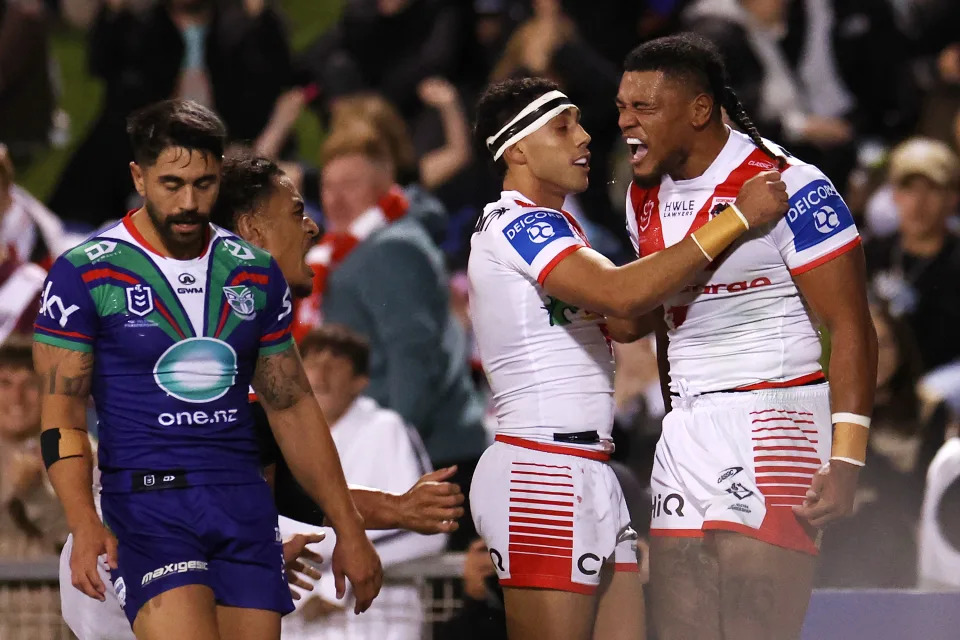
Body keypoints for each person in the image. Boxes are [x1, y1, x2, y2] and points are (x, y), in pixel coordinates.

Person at [57, 146, 465, 640]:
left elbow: (266, 468)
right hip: (135, 540)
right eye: (296, 213)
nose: (312, 227)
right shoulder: (192, 326)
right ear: (250, 231)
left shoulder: (250, 317)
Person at [34, 99, 381, 640]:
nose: (190, 202)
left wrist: (350, 528)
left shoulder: (255, 273)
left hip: (242, 505)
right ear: (138, 176)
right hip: (149, 503)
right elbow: (62, 418)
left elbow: (292, 407)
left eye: (205, 183)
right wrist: (82, 521)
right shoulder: (86, 274)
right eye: (172, 183)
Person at [469, 76, 789, 640]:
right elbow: (622, 297)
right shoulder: (520, 222)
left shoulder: (558, 227)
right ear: (516, 149)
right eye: (563, 126)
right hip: (540, 469)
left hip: (587, 469)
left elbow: (623, 320)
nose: (586, 137)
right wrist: (733, 220)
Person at [617, 34, 877, 640]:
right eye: (622, 107)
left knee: (755, 629)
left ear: (700, 110)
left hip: (775, 417)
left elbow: (851, 326)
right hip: (685, 429)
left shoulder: (792, 184)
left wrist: (846, 459)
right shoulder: (642, 196)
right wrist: (674, 413)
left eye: (644, 109)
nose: (626, 123)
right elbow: (664, 325)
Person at [300, 124, 488, 549]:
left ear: (384, 187)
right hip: (410, 444)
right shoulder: (350, 248)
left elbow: (414, 356)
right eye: (327, 186)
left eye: (350, 185)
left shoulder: (391, 247)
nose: (334, 198)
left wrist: (392, 442)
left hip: (429, 453)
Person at [281, 325, 447, 640]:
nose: (320, 372)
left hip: (378, 621)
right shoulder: (278, 440)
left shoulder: (385, 429)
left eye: (336, 362)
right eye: (312, 361)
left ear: (361, 381)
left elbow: (429, 530)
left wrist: (333, 588)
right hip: (293, 621)